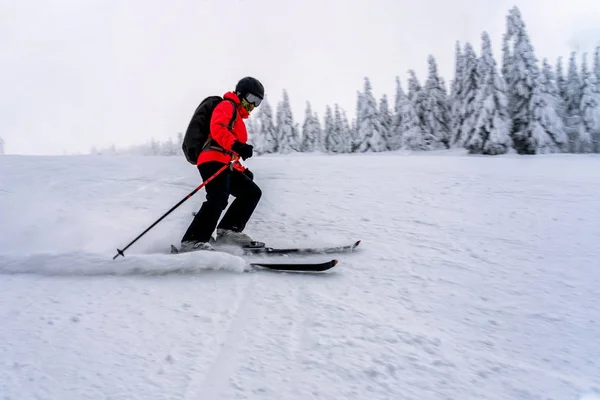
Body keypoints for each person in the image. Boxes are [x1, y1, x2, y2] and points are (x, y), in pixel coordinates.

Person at [180, 77, 265, 252]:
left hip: (224, 162)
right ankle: (193, 241)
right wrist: (236, 145)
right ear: (240, 94)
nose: (253, 105)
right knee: (218, 198)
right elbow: (218, 128)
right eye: (251, 99)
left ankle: (228, 231)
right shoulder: (227, 105)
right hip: (211, 159)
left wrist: (242, 170)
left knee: (251, 192)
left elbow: (229, 153)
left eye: (257, 102)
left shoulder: (237, 117)